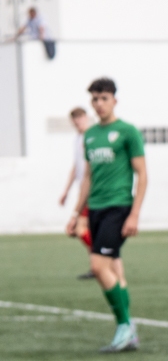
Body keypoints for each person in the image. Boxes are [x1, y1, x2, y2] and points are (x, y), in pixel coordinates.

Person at [66, 77, 147, 353]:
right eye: (95, 99)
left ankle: (125, 325)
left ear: (114, 100)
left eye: (104, 98)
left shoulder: (127, 132)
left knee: (98, 266)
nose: (99, 104)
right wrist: (77, 213)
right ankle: (128, 329)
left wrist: (134, 214)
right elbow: (87, 177)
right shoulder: (89, 136)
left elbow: (142, 174)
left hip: (118, 207)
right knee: (112, 269)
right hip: (96, 208)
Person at [59, 107, 94, 279]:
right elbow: (76, 167)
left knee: (79, 228)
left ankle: (102, 258)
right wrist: (66, 191)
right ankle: (97, 265)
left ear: (86, 117)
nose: (78, 121)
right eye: (75, 118)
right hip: (83, 190)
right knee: (87, 229)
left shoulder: (91, 137)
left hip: (92, 191)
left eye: (80, 117)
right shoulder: (77, 139)